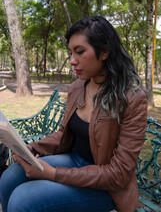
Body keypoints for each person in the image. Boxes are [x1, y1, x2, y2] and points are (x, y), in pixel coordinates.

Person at [0, 16, 148, 212]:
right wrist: (28, 149)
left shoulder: (132, 98)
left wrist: (53, 174)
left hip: (107, 185)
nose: (71, 61)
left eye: (79, 52)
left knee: (23, 200)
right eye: (70, 53)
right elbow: (64, 133)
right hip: (74, 160)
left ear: (104, 51)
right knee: (10, 176)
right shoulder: (78, 87)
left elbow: (119, 174)